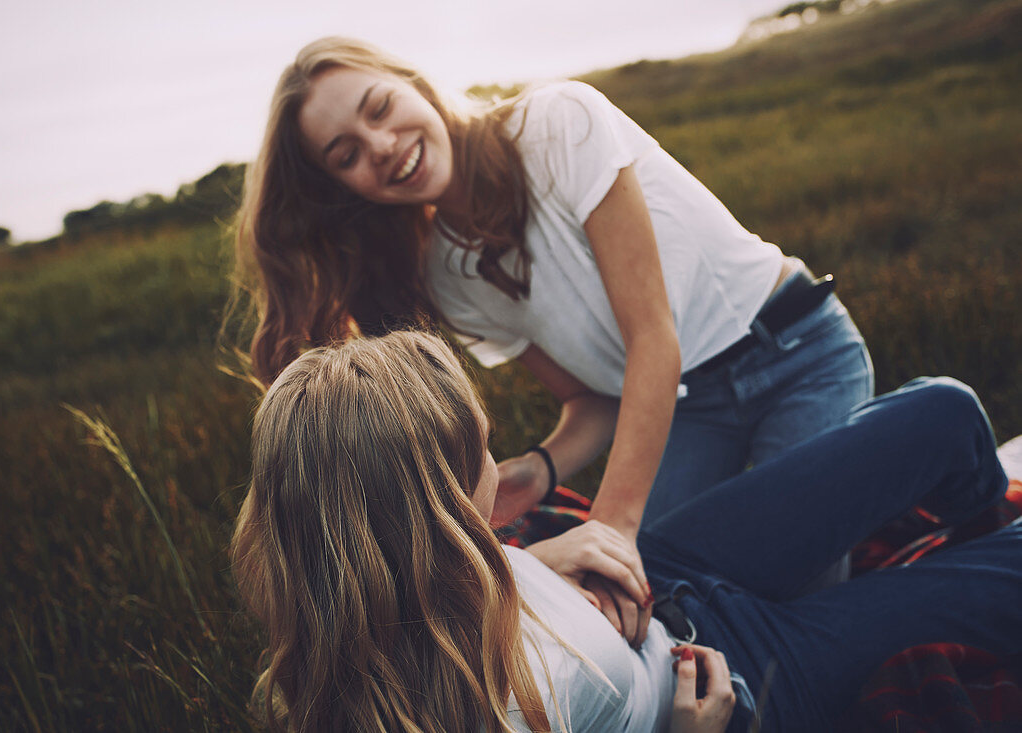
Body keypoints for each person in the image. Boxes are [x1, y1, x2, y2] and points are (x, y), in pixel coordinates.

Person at [230, 36, 875, 625]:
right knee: (677, 601)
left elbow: (653, 339)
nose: (382, 145)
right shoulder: (449, 277)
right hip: (692, 407)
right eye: (347, 156)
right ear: (342, 188)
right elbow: (594, 399)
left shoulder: (559, 123)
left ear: (415, 84)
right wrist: (540, 468)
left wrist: (614, 527)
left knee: (795, 582)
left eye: (379, 108)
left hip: (798, 353)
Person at [231, 331, 1017, 732]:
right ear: (429, 508)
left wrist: (535, 556)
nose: (496, 472)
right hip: (729, 669)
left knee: (943, 412)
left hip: (668, 569)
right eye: (480, 454)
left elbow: (465, 590)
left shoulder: (394, 579)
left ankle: (970, 518)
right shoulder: (495, 713)